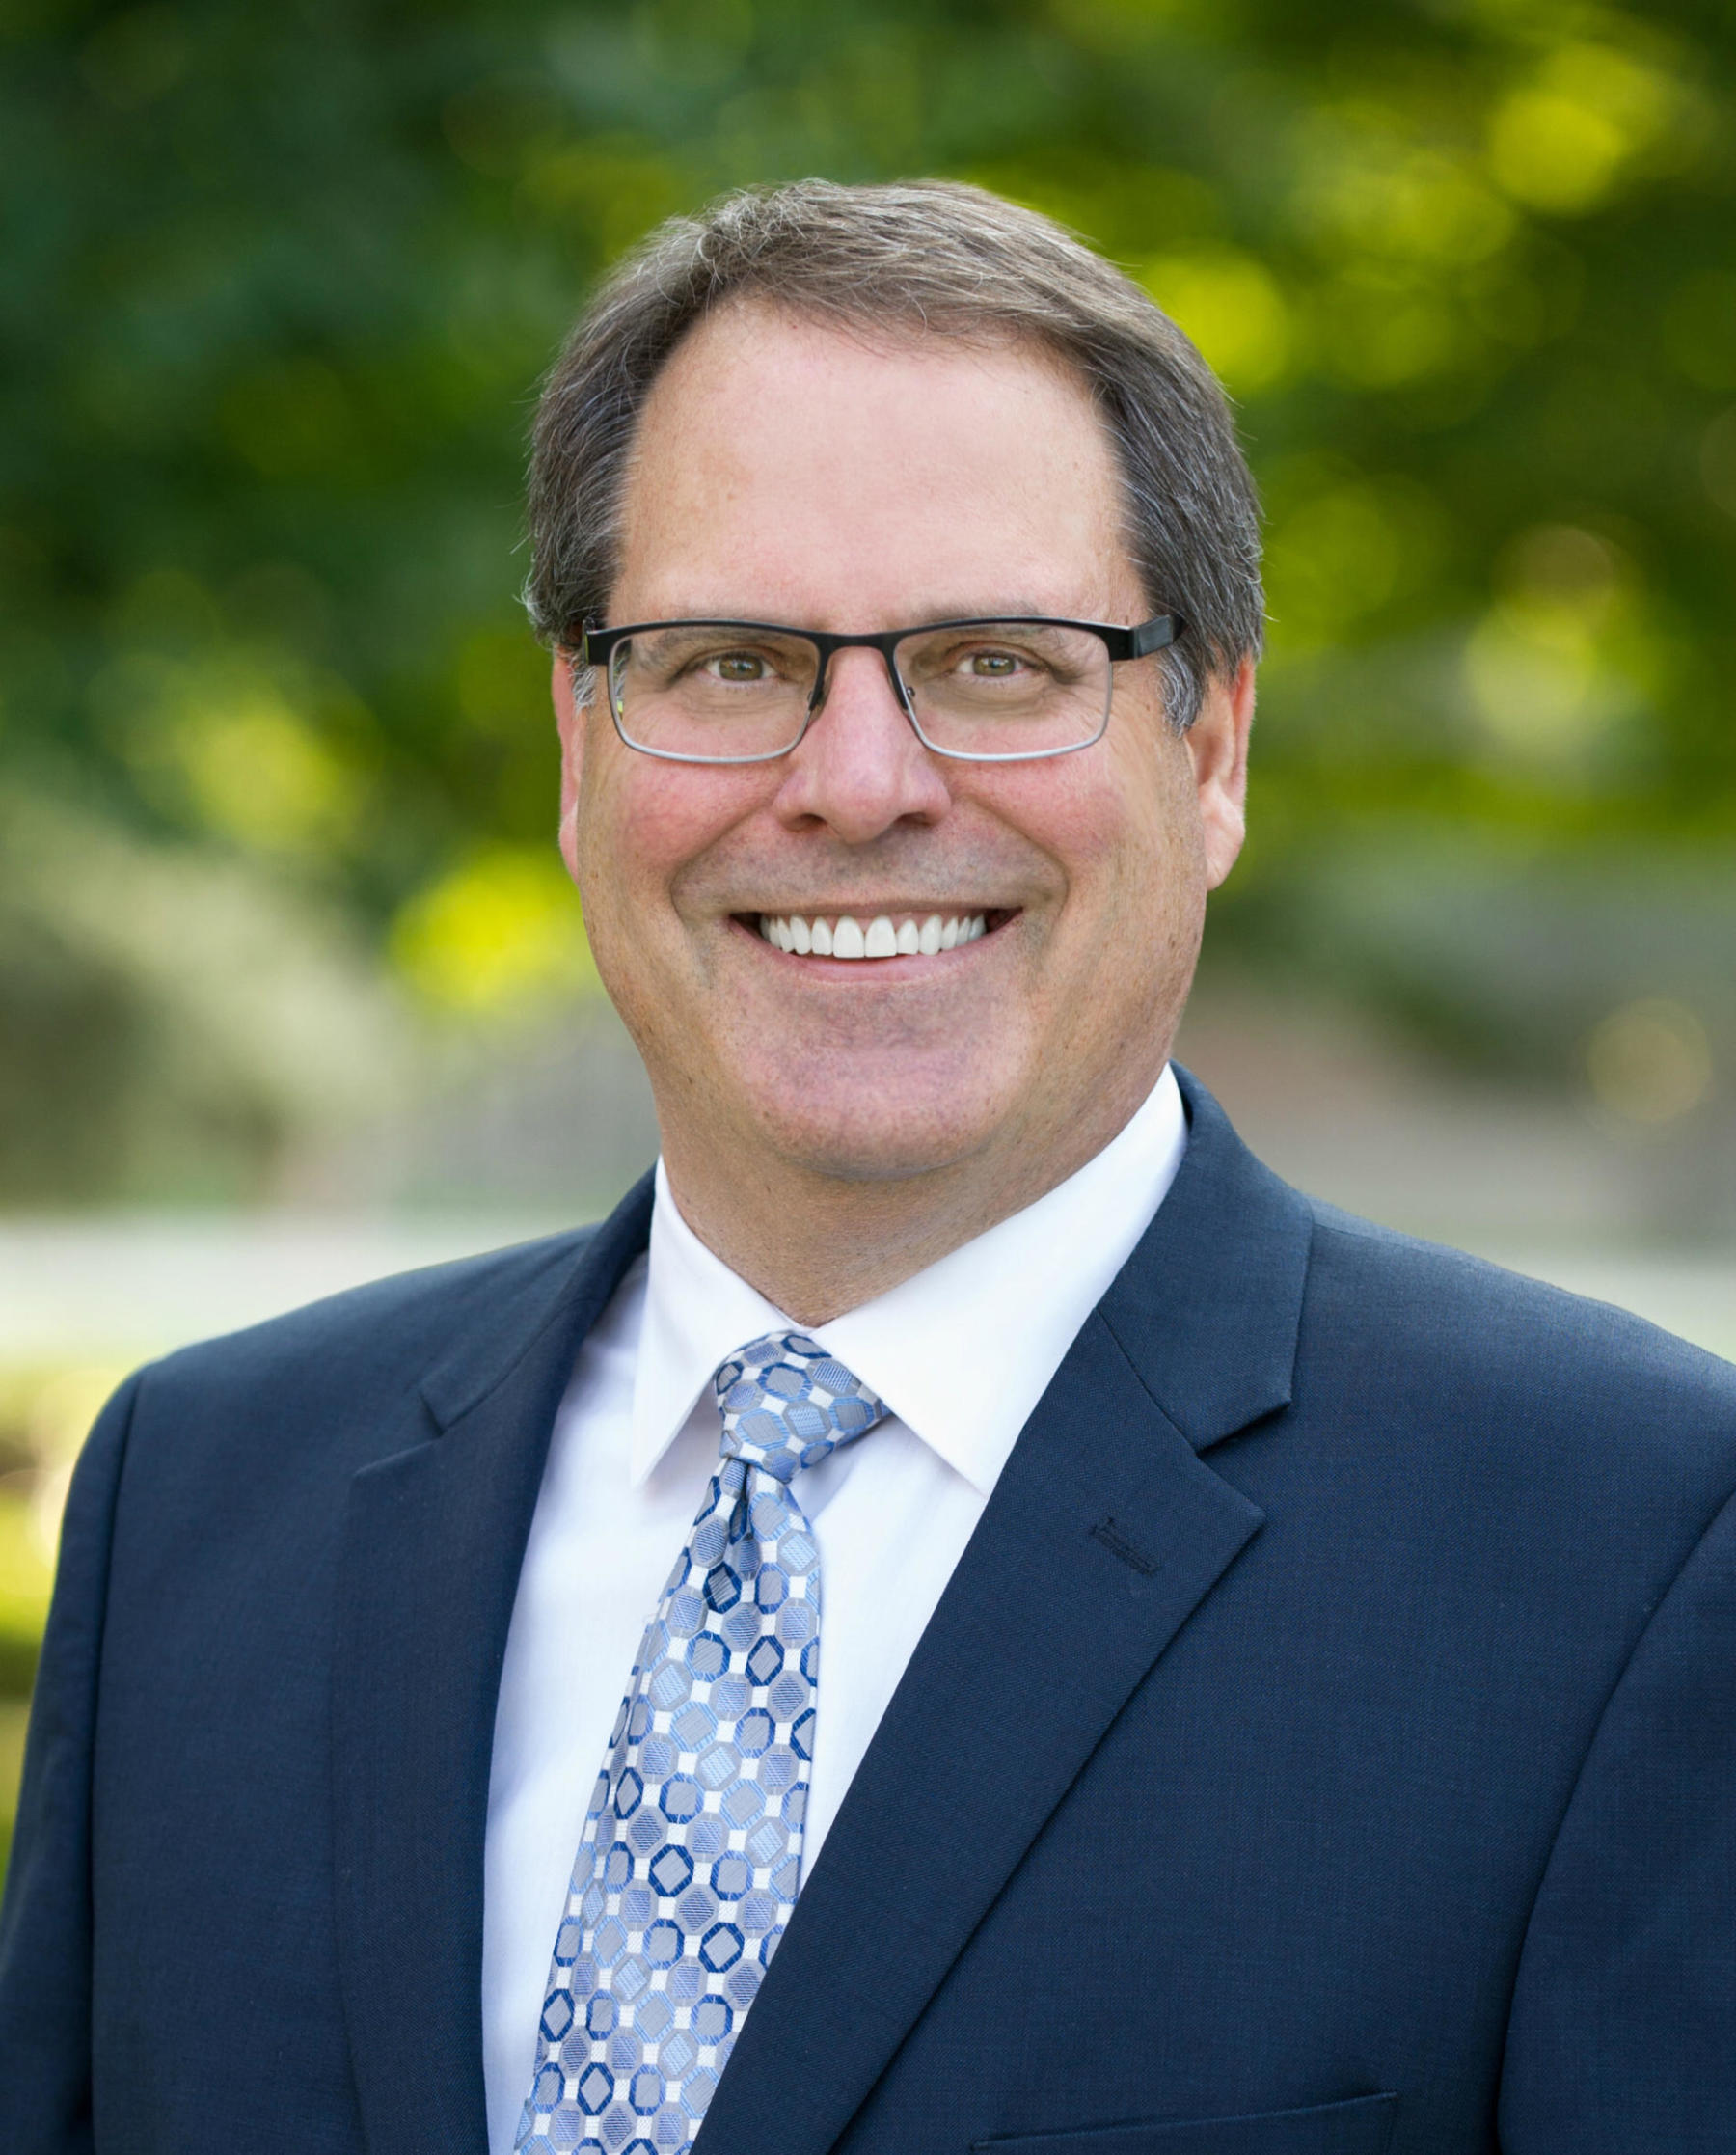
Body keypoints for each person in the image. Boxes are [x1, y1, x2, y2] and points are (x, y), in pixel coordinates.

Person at [1, 179, 1731, 2155]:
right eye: (729, 660)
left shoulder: (1636, 1550)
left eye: (997, 660)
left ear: (1212, 748)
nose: (855, 781)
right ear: (582, 752)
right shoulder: (202, 1508)